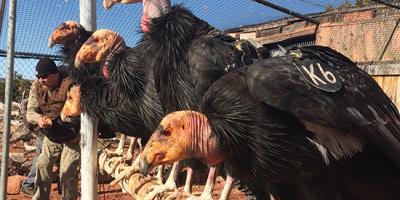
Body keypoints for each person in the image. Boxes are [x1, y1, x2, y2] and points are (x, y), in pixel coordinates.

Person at [25, 57, 80, 200]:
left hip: (73, 136)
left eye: (44, 76)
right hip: (52, 134)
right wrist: (40, 119)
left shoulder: (70, 85)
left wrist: (59, 120)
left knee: (67, 172)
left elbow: (76, 112)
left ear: (55, 74)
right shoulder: (36, 86)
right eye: (38, 76)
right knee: (42, 164)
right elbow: (30, 112)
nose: (41, 80)